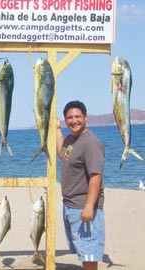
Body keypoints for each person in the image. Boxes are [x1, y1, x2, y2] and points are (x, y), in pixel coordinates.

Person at [56, 100, 105, 270]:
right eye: (69, 117)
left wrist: (89, 206)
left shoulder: (90, 143)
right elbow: (62, 153)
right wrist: (56, 130)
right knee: (82, 248)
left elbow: (96, 176)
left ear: (85, 117)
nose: (74, 120)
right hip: (70, 205)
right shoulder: (72, 139)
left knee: (89, 252)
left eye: (77, 116)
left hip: (83, 206)